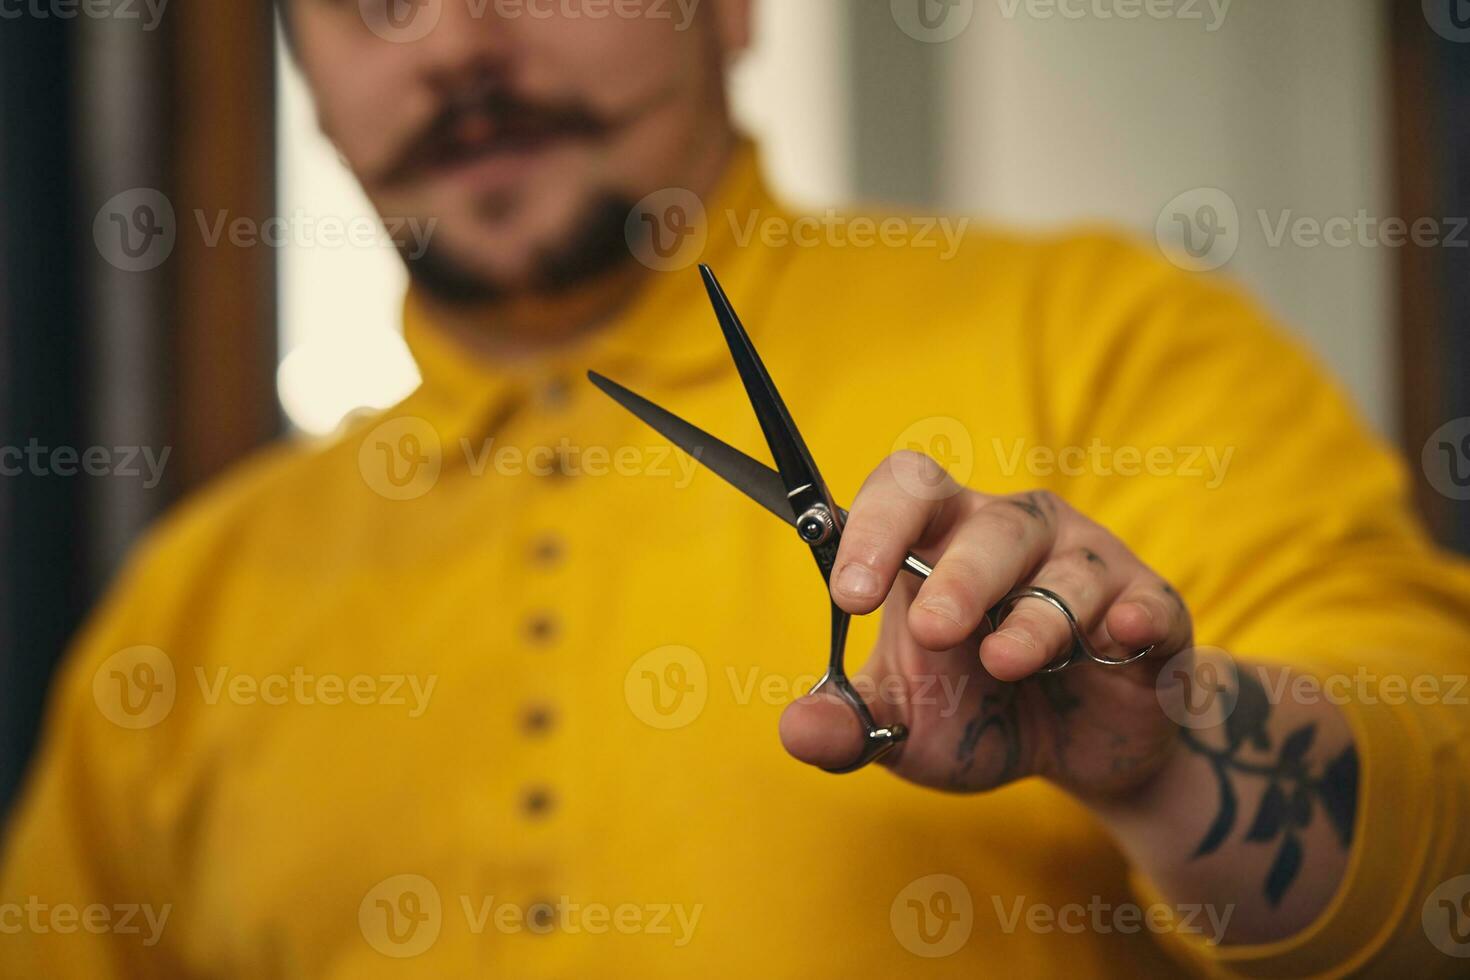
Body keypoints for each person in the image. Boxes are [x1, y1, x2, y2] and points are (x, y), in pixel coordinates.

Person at [4, 1, 1468, 975]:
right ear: (307, 77)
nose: (453, 38)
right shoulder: (191, 598)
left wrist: (1173, 755)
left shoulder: (1108, 339)